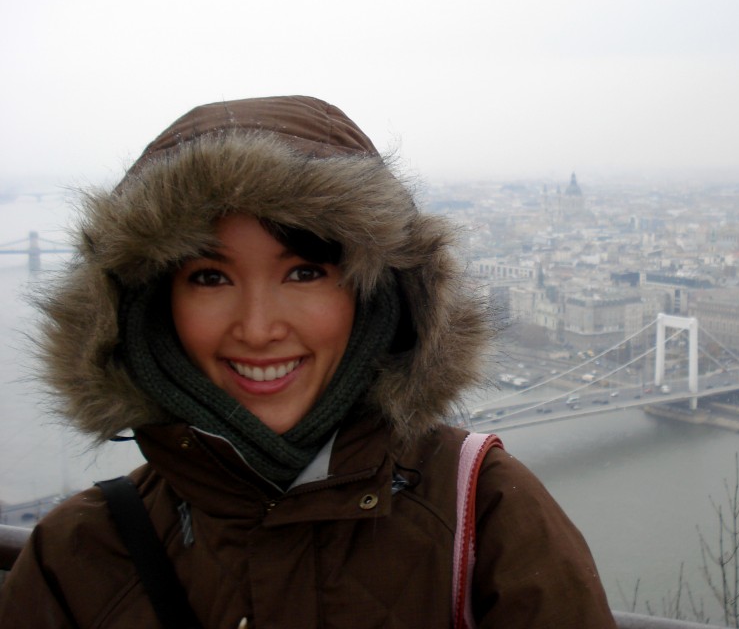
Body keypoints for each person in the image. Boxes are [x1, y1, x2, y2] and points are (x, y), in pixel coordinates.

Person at [0, 96, 617, 628]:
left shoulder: (488, 513)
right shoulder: (75, 555)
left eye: (304, 273)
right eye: (210, 277)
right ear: (152, 308)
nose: (259, 328)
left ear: (374, 297)